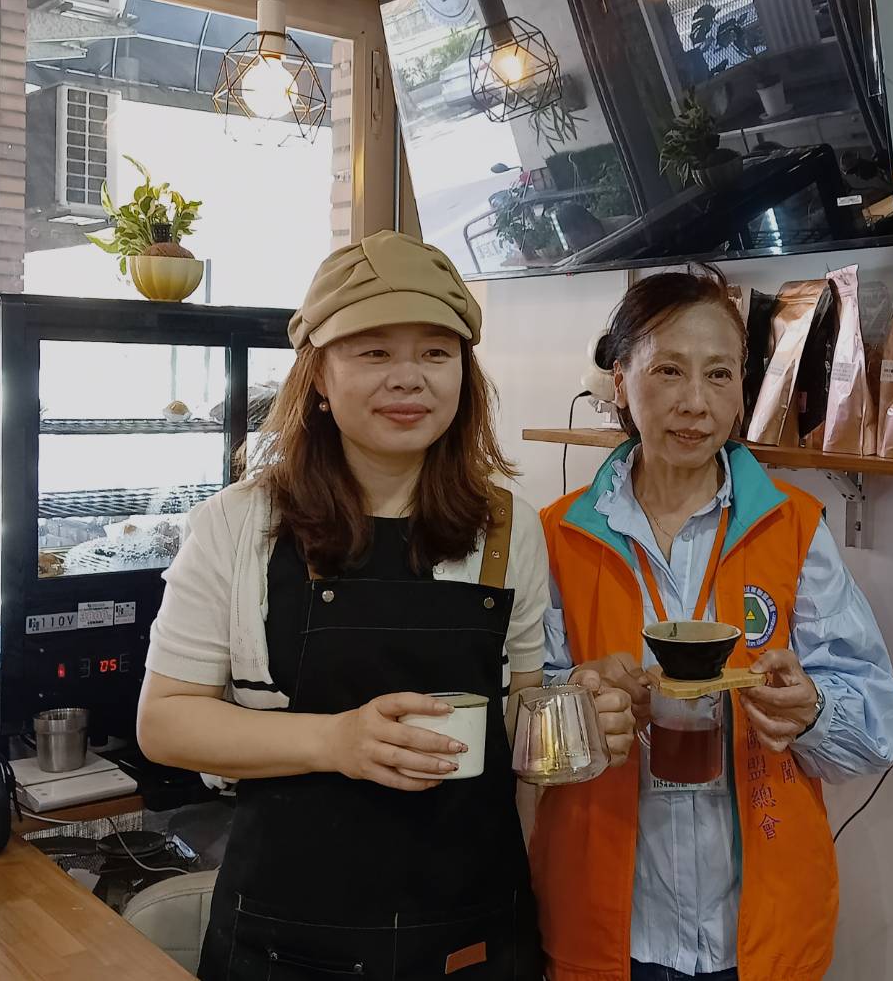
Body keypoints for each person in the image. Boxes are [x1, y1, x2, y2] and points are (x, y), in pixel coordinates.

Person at [137, 230, 633, 981]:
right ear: (319, 376)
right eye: (374, 352)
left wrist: (577, 722)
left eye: (435, 353)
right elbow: (166, 722)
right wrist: (336, 741)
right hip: (286, 940)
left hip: (471, 934)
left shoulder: (507, 529)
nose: (409, 378)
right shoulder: (238, 527)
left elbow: (517, 721)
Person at [533, 266, 893, 981]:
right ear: (620, 381)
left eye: (719, 374)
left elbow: (879, 727)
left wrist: (811, 710)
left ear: (743, 388)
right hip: (607, 923)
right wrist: (578, 704)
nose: (695, 403)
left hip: (761, 930)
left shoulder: (793, 529)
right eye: (668, 371)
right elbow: (524, 731)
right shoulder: (557, 537)